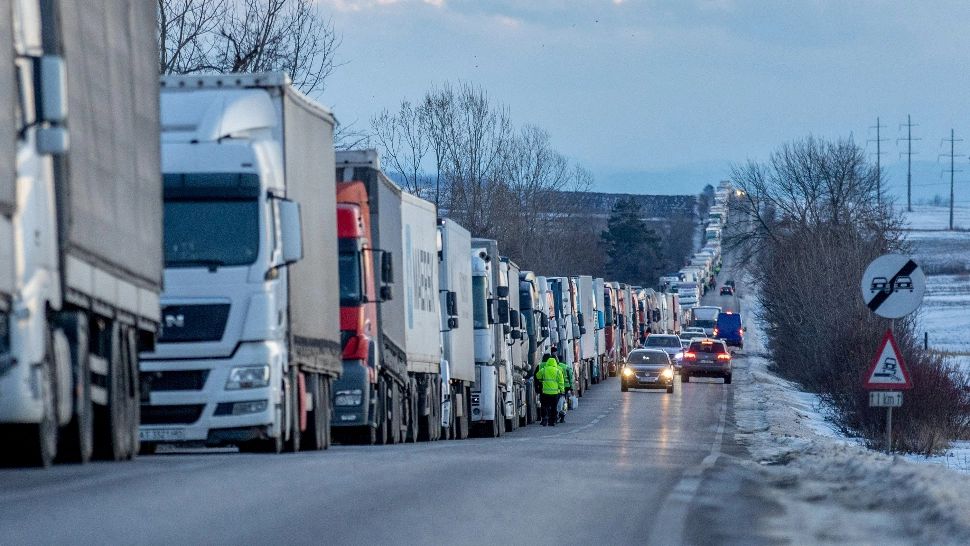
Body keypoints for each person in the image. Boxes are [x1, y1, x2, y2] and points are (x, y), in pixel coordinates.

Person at [535, 350, 564, 426]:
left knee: (544, 406)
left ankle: (544, 419)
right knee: (554, 407)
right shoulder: (558, 371)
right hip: (555, 393)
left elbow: (537, 376)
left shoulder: (544, 369)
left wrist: (542, 379)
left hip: (545, 392)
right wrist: (562, 390)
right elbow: (561, 382)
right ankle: (552, 421)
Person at [555, 347, 574, 423]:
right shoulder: (566, 367)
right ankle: (563, 416)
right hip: (566, 387)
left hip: (556, 387)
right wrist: (571, 388)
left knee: (556, 402)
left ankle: (556, 415)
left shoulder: (555, 367)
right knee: (564, 402)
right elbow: (570, 377)